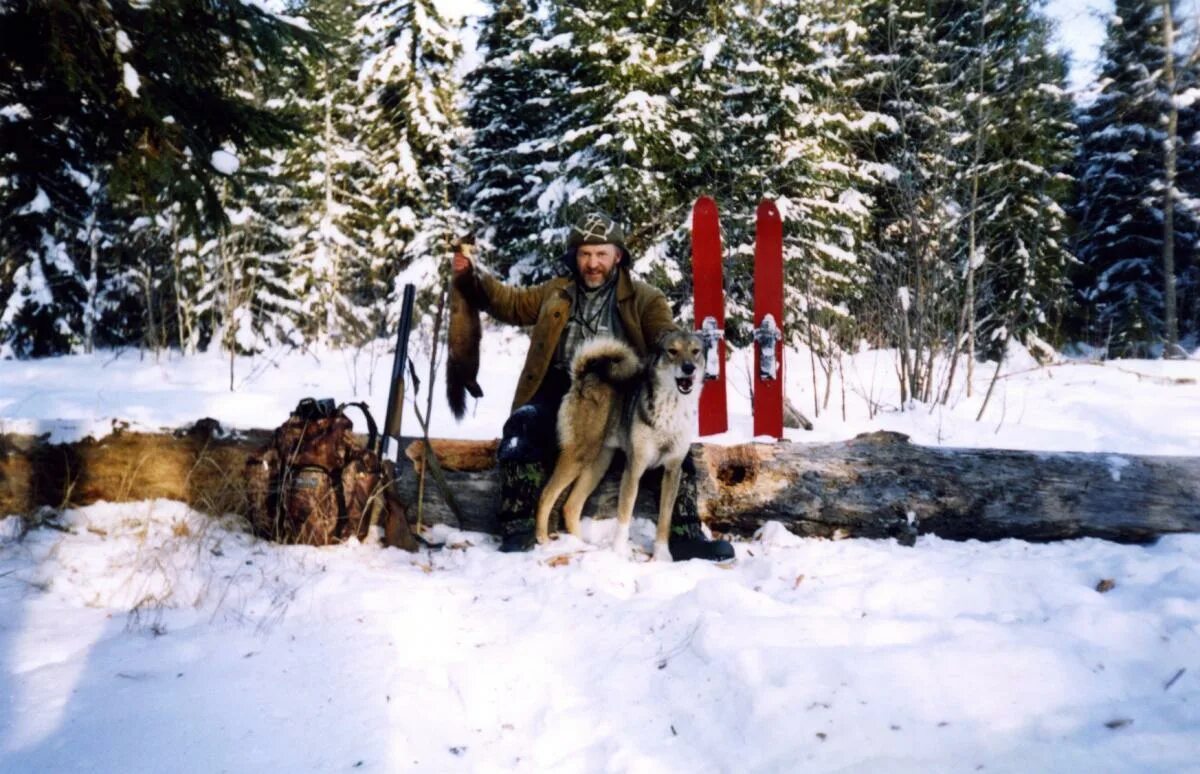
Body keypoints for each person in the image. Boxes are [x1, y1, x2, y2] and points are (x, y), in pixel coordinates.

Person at [451, 212, 735, 561]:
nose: (593, 263)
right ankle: (518, 526)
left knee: (676, 455)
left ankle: (684, 534)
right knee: (521, 429)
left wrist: (679, 349)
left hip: (620, 389)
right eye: (585, 254)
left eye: (601, 254)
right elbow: (509, 303)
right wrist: (473, 278)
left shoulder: (645, 298)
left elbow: (663, 332)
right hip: (559, 383)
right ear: (575, 257)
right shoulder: (554, 292)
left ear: (618, 256)